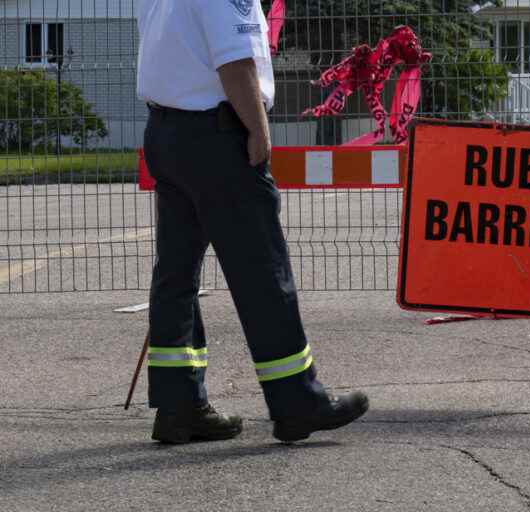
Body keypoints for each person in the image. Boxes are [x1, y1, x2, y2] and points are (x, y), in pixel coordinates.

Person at [136, 0, 368, 443]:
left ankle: (178, 405)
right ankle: (297, 402)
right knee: (262, 272)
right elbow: (235, 63)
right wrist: (259, 130)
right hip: (216, 135)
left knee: (176, 273)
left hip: (166, 130)